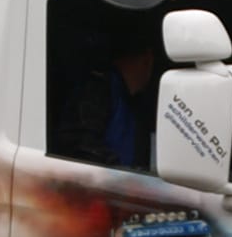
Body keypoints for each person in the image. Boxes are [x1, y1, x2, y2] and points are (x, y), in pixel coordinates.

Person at [61, 31, 162, 168]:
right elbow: (80, 145)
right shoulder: (98, 88)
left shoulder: (135, 103)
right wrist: (118, 172)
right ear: (147, 59)